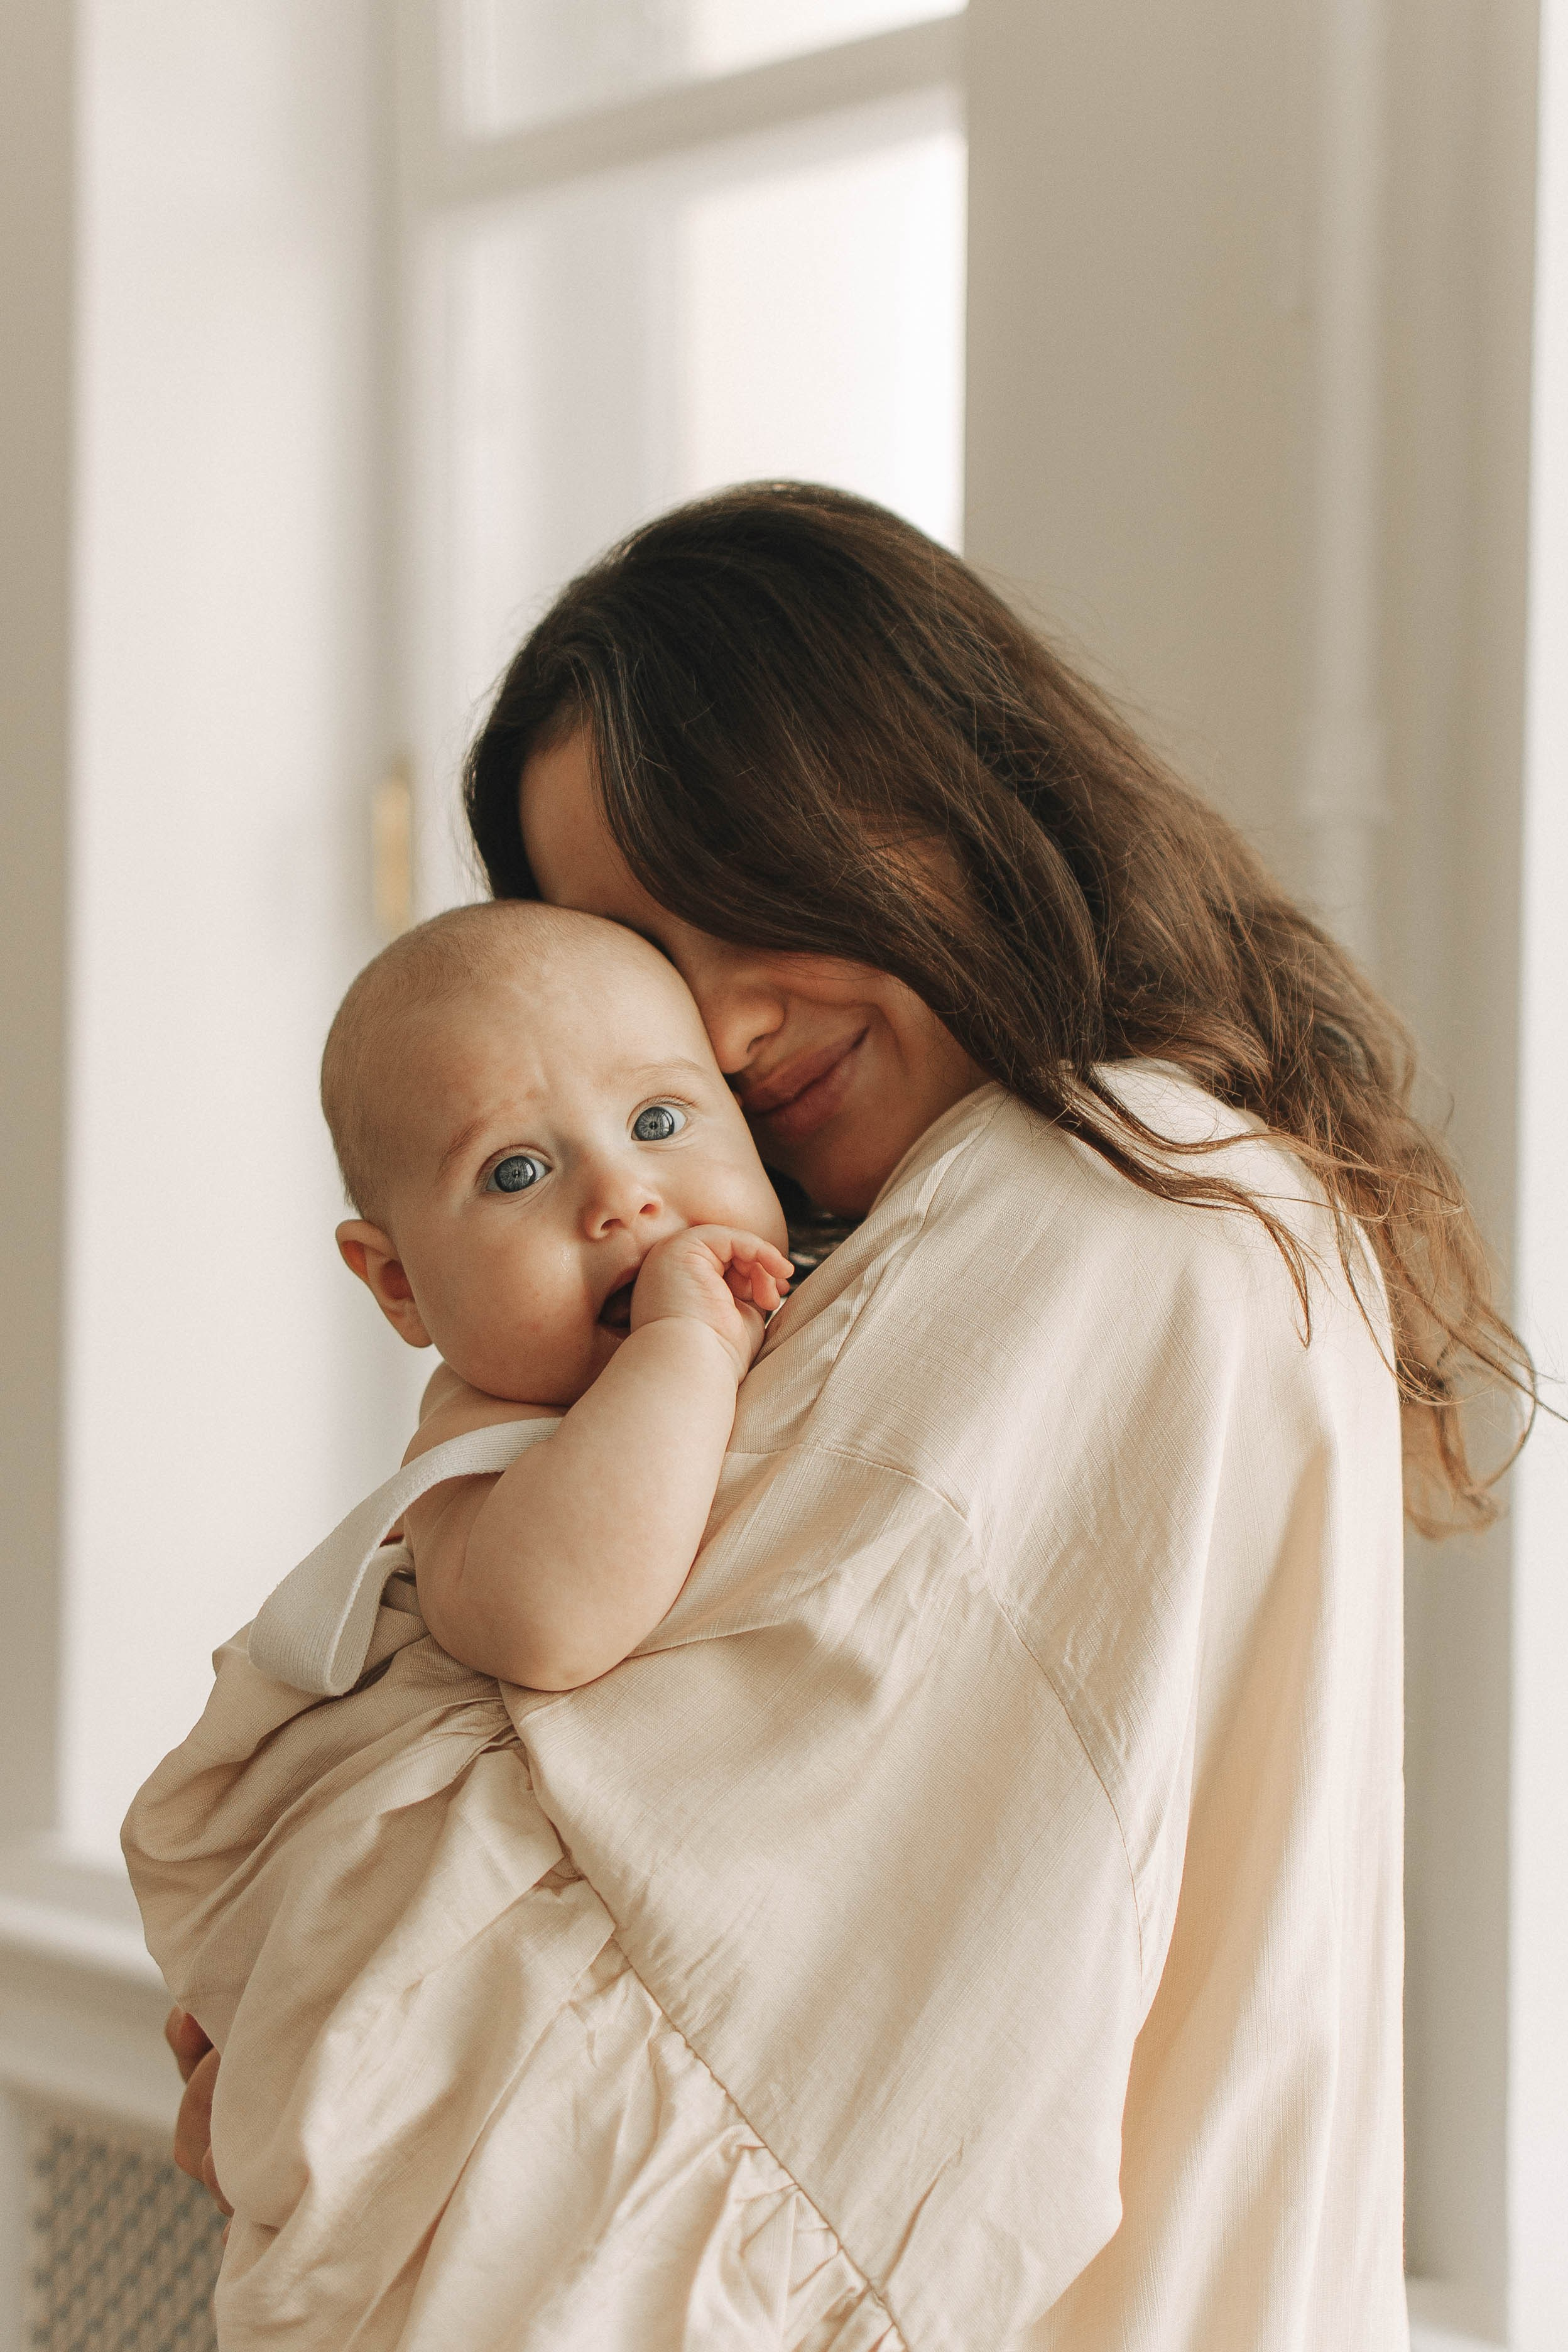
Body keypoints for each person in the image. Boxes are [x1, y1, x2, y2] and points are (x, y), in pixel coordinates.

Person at [162, 482, 1532, 2349]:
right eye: (643, 954)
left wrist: (310, 2014)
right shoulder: (883, 1257)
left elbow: (669, 2058)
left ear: (943, 790)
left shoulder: (1102, 1208)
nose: (720, 1028)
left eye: (745, 885)